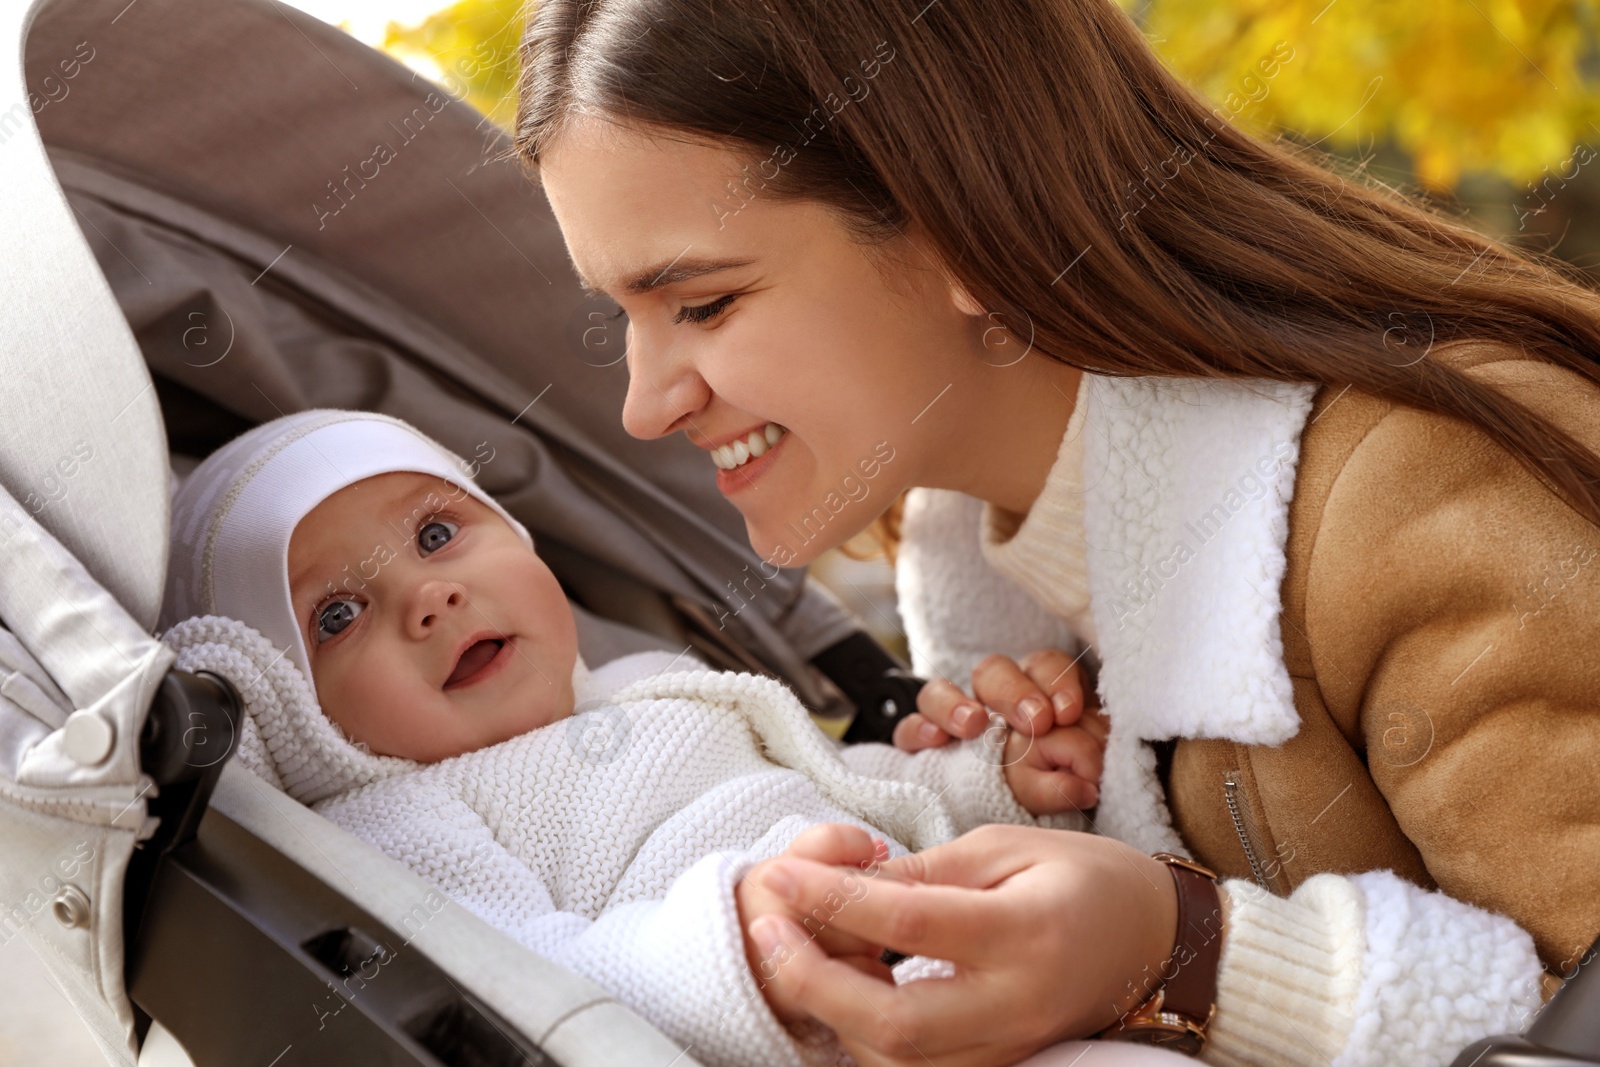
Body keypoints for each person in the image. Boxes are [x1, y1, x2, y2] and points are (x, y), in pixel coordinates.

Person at [512, 0, 1600, 1064]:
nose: (643, 406)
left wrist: (1187, 952)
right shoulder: (978, 574)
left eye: (700, 304)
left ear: (958, 224)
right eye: (620, 317)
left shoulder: (1427, 488)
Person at [156, 408, 1107, 1067]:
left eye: (438, 534)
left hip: (960, 963)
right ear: (294, 707)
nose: (427, 596)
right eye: (337, 615)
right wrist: (741, 950)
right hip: (814, 1014)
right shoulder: (401, 822)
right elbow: (527, 979)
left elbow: (847, 784)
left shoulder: (647, 683)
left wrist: (995, 780)